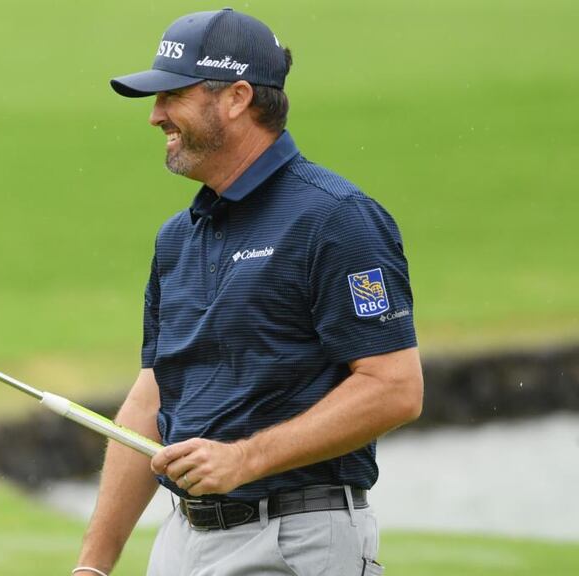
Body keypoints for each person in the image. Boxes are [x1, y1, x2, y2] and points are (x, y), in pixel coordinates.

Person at [72, 8, 423, 576]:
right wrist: (93, 565)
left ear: (236, 98)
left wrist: (244, 459)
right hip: (182, 541)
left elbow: (395, 388)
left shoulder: (336, 219)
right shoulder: (178, 238)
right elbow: (151, 400)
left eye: (173, 96)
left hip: (295, 540)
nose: (156, 116)